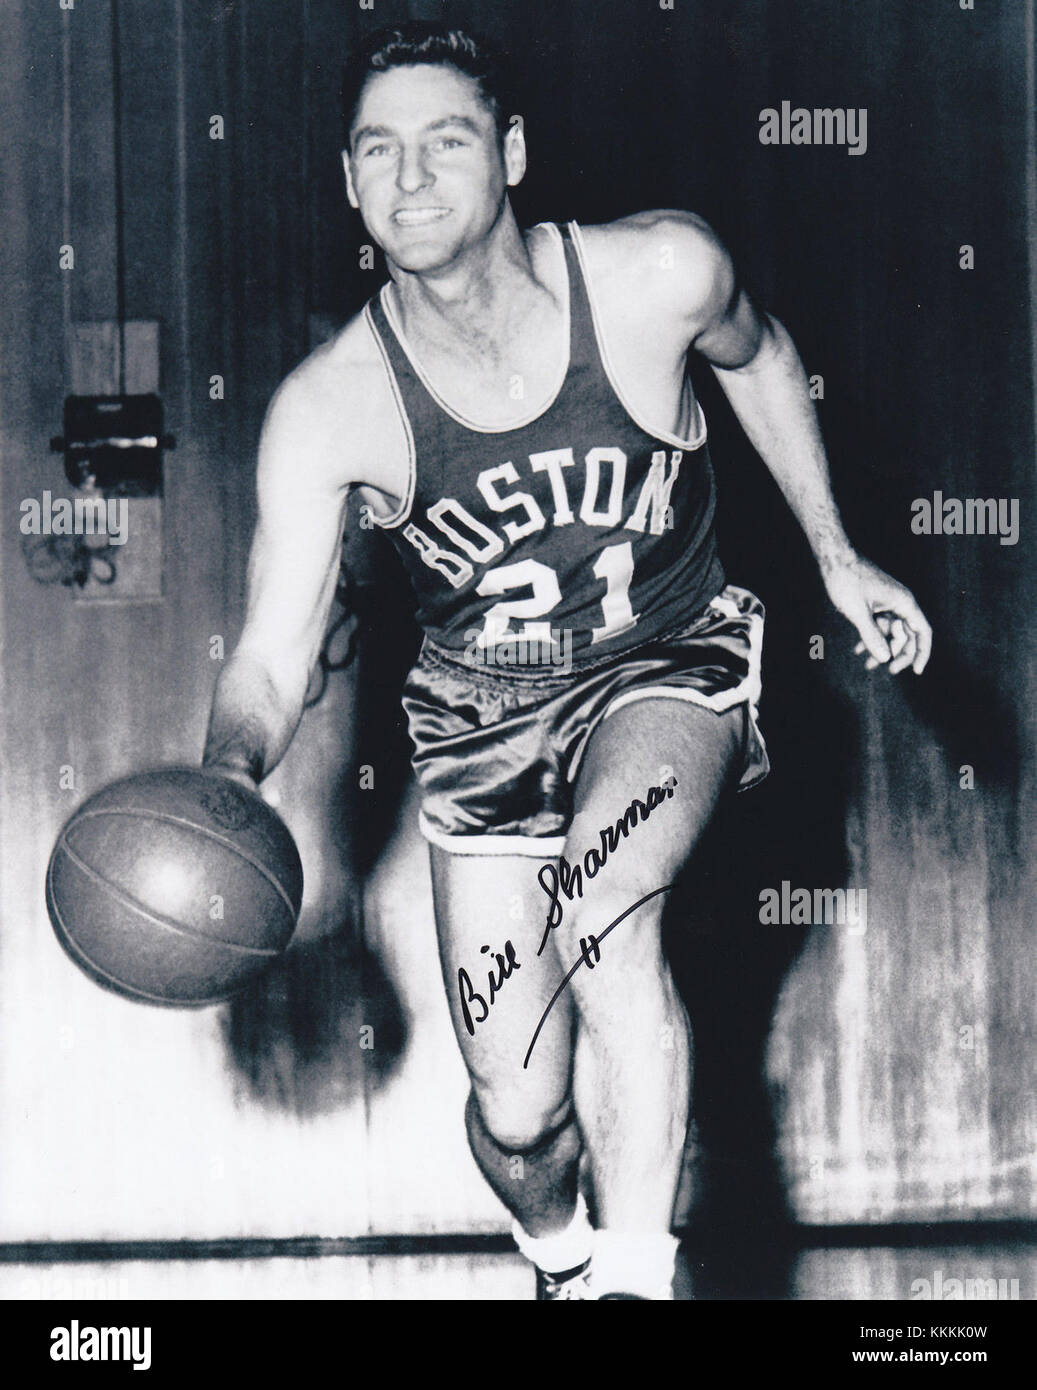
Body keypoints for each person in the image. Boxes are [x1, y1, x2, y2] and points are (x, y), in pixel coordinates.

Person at [203, 23, 932, 1300]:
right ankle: (559, 1254)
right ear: (348, 184)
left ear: (513, 154)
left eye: (447, 139)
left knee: (604, 915)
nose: (413, 176)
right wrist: (224, 779)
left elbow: (758, 356)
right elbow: (271, 654)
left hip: (666, 665)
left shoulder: (656, 273)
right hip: (478, 729)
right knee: (520, 1109)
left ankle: (638, 1281)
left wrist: (832, 553)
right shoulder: (332, 406)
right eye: (380, 149)